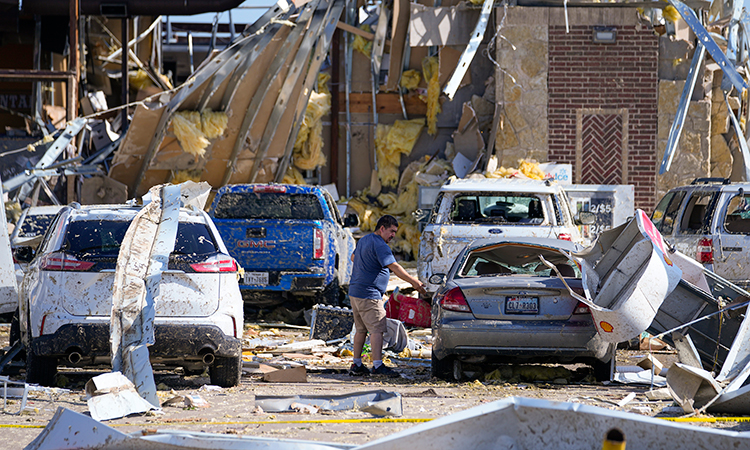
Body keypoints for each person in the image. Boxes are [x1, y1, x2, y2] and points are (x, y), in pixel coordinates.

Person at [348, 214, 427, 377]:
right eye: (391, 231)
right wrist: (415, 283)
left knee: (361, 330)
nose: (393, 235)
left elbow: (353, 257)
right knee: (377, 329)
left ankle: (356, 365)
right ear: (382, 228)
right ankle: (377, 366)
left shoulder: (364, 239)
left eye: (395, 232)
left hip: (355, 292)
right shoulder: (380, 244)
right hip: (369, 294)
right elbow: (395, 267)